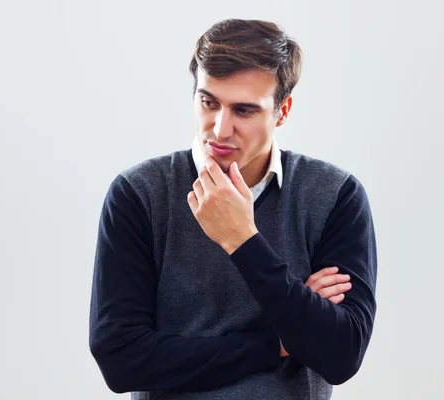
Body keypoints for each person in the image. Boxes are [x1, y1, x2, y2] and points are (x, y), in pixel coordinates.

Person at [89, 18, 377, 400]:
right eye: (209, 102)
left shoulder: (335, 196)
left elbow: (341, 355)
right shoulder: (138, 194)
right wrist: (277, 343)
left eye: (243, 111)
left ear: (282, 111)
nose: (220, 129)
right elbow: (121, 360)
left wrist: (243, 240)